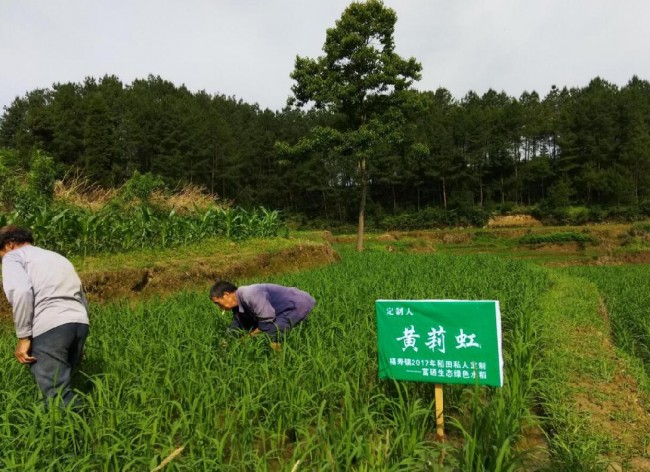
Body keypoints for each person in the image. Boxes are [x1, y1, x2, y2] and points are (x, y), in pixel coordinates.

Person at [0, 225, 89, 408]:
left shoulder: (13, 257)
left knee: (57, 395)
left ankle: (78, 434)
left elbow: (22, 292)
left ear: (9, 245)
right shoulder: (58, 258)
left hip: (51, 326)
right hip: (79, 321)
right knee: (66, 384)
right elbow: (82, 296)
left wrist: (24, 336)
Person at [210, 280, 316, 348]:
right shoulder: (238, 302)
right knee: (253, 326)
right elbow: (238, 321)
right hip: (280, 309)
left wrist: (249, 337)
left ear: (226, 295)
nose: (219, 307)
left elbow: (267, 320)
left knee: (272, 333)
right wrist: (227, 339)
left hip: (297, 305)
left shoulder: (250, 295)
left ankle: (278, 364)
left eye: (218, 303)